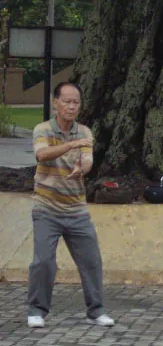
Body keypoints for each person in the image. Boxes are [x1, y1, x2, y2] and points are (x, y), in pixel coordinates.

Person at [27, 82, 115, 329]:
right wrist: (70, 146)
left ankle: (96, 311)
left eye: (76, 102)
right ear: (56, 103)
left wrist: (81, 169)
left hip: (77, 209)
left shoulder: (84, 132)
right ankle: (37, 310)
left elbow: (87, 161)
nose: (71, 106)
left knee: (92, 261)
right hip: (46, 208)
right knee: (43, 261)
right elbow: (42, 155)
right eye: (66, 101)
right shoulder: (42, 129)